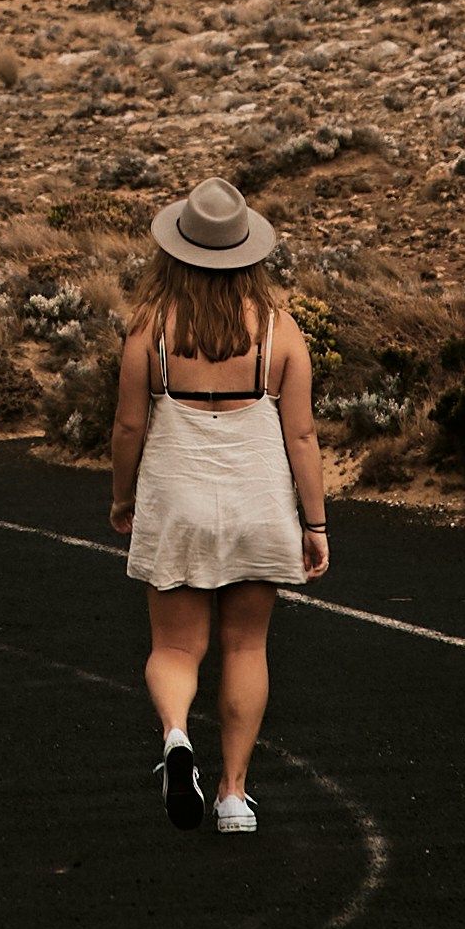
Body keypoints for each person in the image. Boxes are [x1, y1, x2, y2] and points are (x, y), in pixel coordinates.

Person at [107, 177, 329, 837]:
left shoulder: (151, 331)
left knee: (176, 647)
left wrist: (123, 500)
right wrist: (314, 523)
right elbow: (303, 436)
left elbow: (126, 430)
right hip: (258, 502)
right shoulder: (279, 332)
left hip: (177, 500)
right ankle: (234, 795)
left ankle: (177, 737)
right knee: (245, 644)